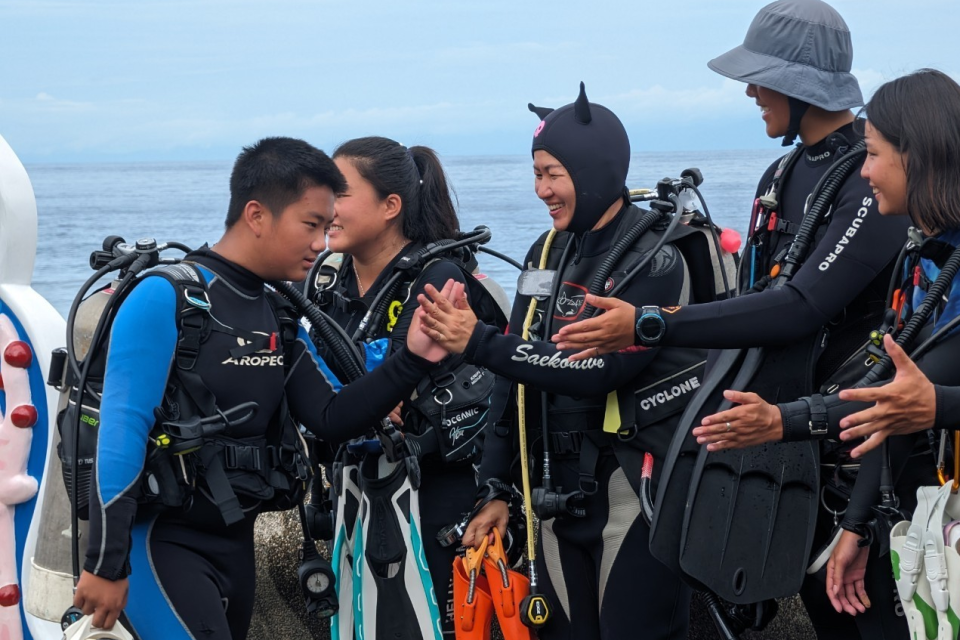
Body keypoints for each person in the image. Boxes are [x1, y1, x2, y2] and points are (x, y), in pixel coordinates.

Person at [551, 2, 914, 639]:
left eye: (760, 77)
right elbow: (755, 301)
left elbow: (800, 305)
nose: (749, 91)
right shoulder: (782, 172)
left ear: (802, 85)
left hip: (859, 453)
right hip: (782, 443)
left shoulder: (866, 178)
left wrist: (651, 323)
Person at [72, 137, 449, 640]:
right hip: (159, 548)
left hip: (235, 548)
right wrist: (105, 562)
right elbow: (120, 432)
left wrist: (412, 359)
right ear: (256, 215)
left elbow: (332, 416)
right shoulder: (166, 297)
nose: (321, 242)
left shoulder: (277, 312)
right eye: (311, 224)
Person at [415, 83, 727, 640]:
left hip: (634, 488)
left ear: (594, 167)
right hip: (556, 498)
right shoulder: (545, 253)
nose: (541, 190)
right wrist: (494, 486)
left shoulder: (656, 256)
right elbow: (513, 383)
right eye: (536, 173)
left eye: (552, 173)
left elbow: (605, 370)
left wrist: (480, 342)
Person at [690, 68, 960, 621]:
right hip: (911, 507)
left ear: (919, 157)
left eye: (874, 155)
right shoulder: (922, 256)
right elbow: (894, 400)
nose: (864, 172)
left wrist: (781, 421)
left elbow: (910, 399)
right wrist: (856, 527)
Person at [306, 136, 503, 638]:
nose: (325, 206)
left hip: (437, 492)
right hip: (359, 492)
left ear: (391, 206)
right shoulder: (332, 286)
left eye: (341, 193)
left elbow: (407, 392)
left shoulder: (436, 275)